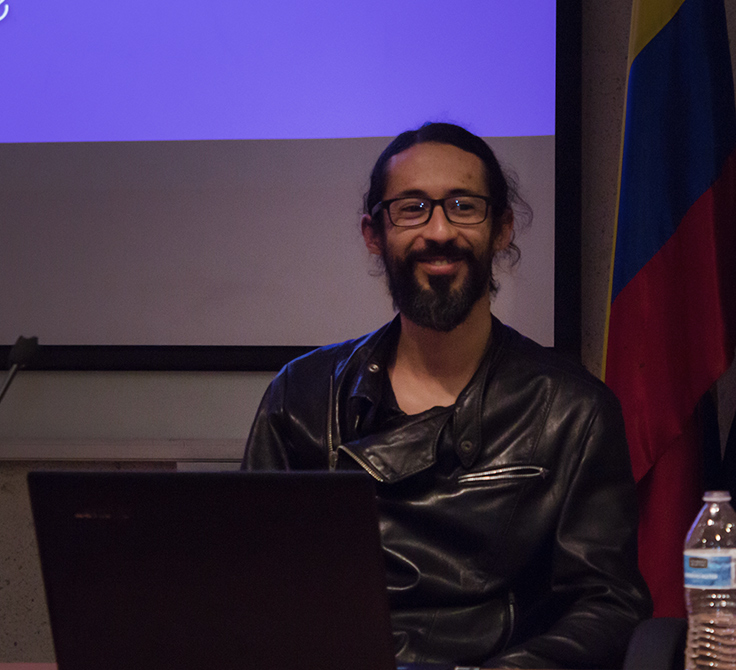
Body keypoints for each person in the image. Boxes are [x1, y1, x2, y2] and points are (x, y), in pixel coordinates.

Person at [242, 122, 652, 669]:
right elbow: (249, 587)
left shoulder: (574, 412)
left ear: (502, 227)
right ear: (373, 234)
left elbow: (609, 605)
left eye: (463, 206)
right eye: (412, 208)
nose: (439, 231)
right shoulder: (301, 397)